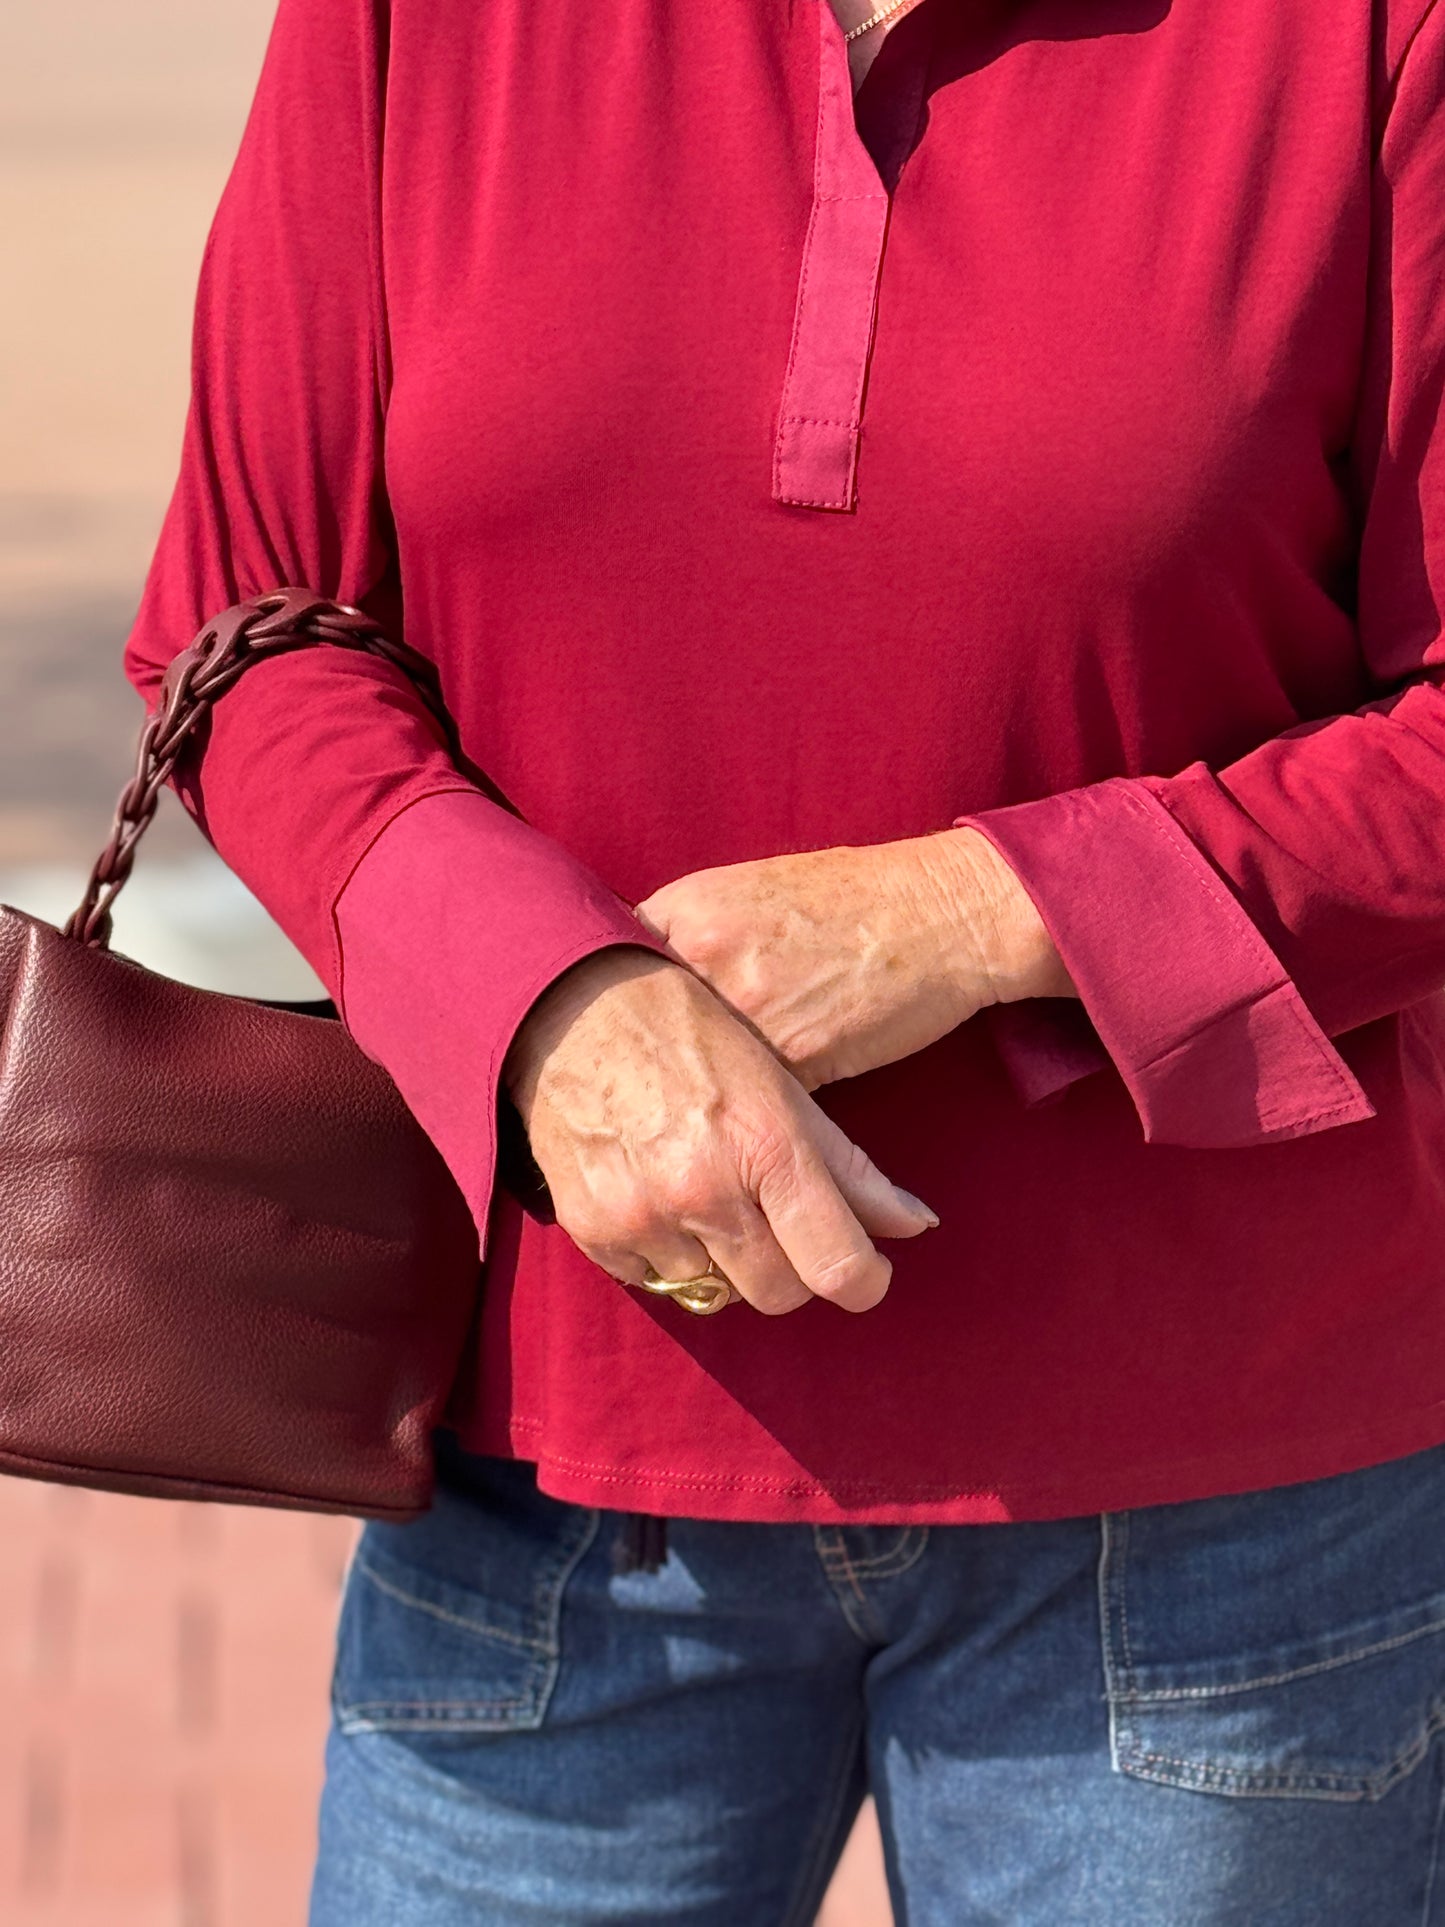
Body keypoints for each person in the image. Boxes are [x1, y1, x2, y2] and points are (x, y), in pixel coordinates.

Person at [122, 0, 1445, 1919]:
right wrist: (551, 1005)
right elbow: (251, 623)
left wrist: (973, 914)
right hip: (546, 1482)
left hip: (1224, 1515)